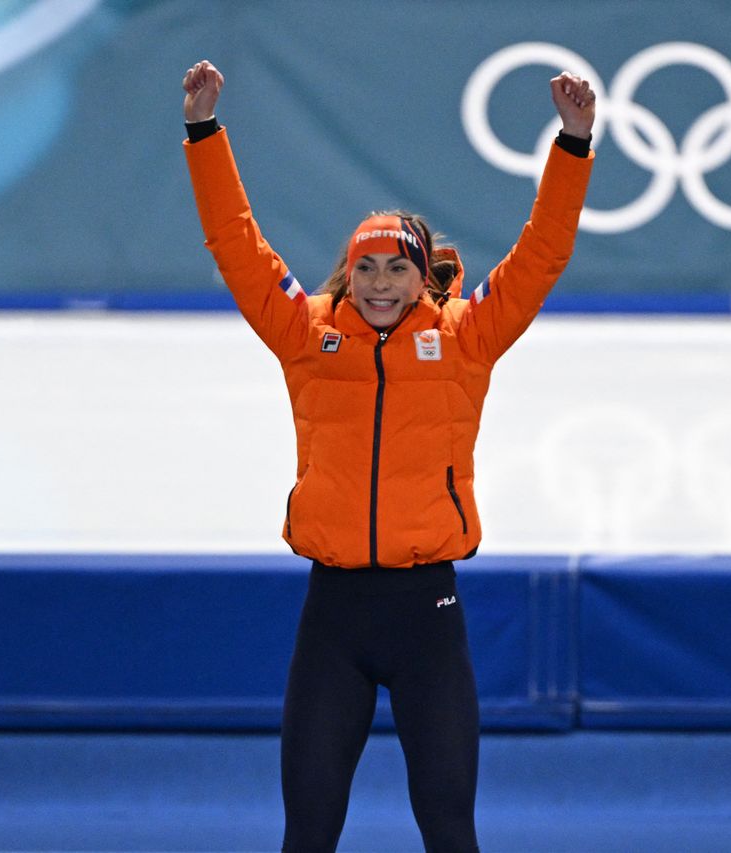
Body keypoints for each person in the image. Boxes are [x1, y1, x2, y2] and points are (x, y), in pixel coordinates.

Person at [181, 59, 595, 851]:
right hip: (331, 618)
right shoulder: (307, 336)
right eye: (365, 267)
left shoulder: (466, 337)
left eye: (396, 267)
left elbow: (542, 254)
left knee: (449, 827)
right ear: (348, 271)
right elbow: (235, 244)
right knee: (307, 831)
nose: (379, 283)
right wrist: (203, 130)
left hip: (426, 617)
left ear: (420, 274)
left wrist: (572, 144)